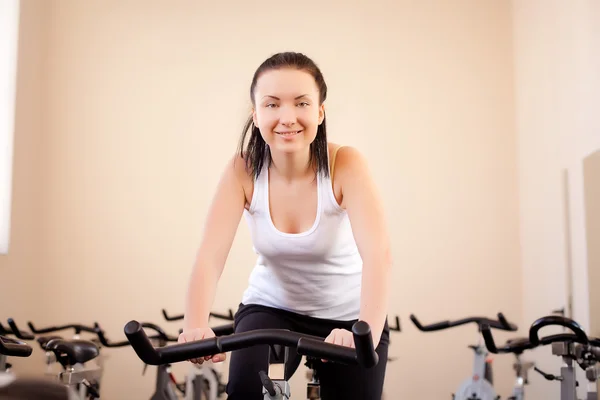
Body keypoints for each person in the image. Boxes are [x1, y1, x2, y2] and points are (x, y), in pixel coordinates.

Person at [178, 51, 393, 399]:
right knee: (247, 392)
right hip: (272, 309)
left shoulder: (345, 165)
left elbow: (378, 255)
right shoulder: (243, 170)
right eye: (273, 104)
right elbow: (210, 255)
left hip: (349, 314)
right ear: (257, 113)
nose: (287, 117)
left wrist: (362, 329)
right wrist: (194, 326)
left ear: (320, 112)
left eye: (302, 103)